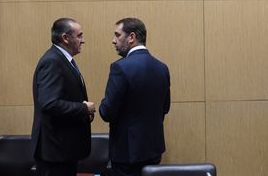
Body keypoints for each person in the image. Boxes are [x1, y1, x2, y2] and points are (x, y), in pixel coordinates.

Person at [99, 17, 171, 176]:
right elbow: (165, 107)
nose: (113, 40)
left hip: (126, 153)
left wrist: (100, 106)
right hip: (153, 150)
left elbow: (107, 112)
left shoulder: (120, 67)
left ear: (131, 37)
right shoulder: (162, 68)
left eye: (117, 35)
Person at [31, 18, 95, 176]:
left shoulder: (62, 60)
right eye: (79, 36)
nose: (83, 40)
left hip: (63, 150)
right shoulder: (53, 61)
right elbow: (49, 103)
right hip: (55, 152)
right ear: (65, 38)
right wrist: (83, 108)